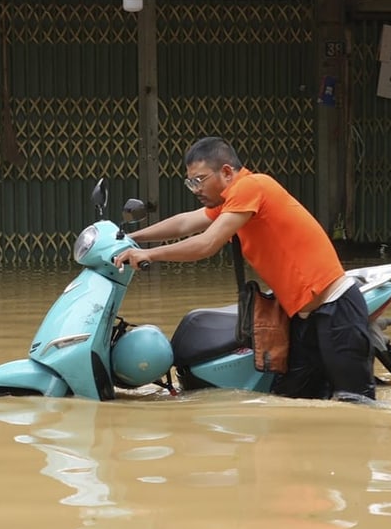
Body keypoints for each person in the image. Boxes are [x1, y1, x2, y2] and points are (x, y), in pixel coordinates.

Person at [113, 136, 375, 401]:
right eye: (190, 182)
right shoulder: (231, 203)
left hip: (335, 308)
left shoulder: (250, 186)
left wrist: (149, 254)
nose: (195, 189)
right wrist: (130, 238)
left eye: (199, 180)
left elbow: (207, 243)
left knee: (355, 402)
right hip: (304, 319)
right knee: (291, 400)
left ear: (226, 172)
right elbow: (185, 223)